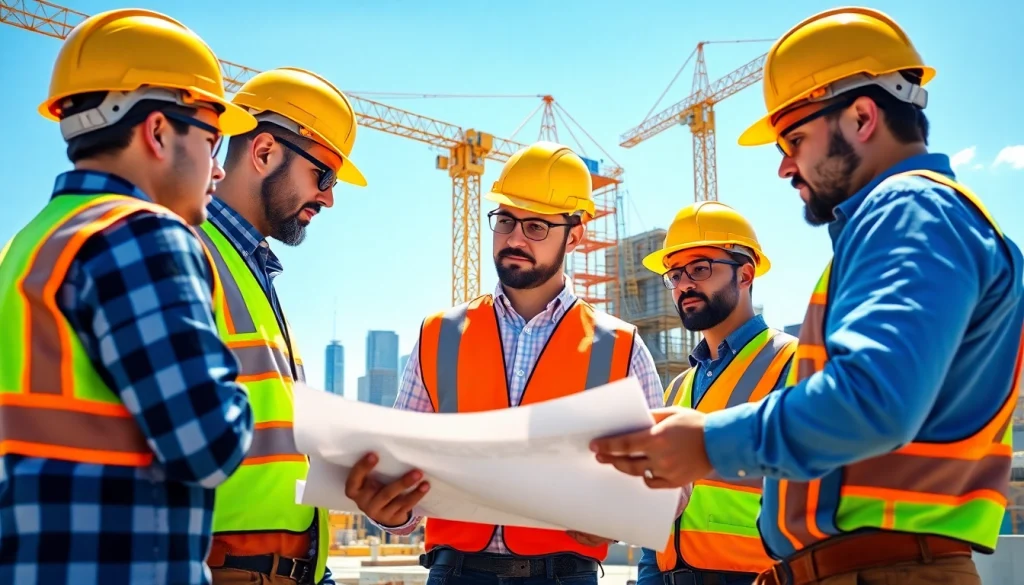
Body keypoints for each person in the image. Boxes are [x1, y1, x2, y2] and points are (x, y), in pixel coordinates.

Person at [590, 6, 1024, 585]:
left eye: (794, 137)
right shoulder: (920, 220)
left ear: (863, 116)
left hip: (885, 569)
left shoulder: (910, 210)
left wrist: (708, 442)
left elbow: (872, 399)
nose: (785, 166)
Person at [0, 8, 258, 585]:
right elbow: (207, 443)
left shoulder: (27, 245)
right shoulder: (142, 234)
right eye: (213, 139)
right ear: (159, 132)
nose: (218, 171)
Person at [342, 141, 665, 585]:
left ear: (575, 235)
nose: (514, 238)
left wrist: (622, 515)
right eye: (506, 221)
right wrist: (390, 513)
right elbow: (403, 483)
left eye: (535, 226)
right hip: (454, 570)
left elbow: (669, 483)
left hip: (564, 575)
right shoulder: (439, 334)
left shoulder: (622, 348)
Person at [197, 67, 366, 585]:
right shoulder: (188, 253)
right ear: (264, 152)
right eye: (325, 176)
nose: (330, 197)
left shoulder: (253, 271)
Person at [635, 201, 797, 585]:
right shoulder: (678, 388)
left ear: (746, 274)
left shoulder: (794, 362)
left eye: (700, 268)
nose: (684, 284)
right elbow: (656, 507)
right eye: (674, 275)